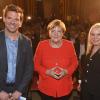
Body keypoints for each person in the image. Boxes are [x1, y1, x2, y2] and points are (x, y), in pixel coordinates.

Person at [34, 19, 78, 100]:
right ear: (49, 33)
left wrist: (66, 71)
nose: (56, 34)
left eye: (59, 31)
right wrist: (47, 72)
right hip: (46, 87)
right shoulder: (41, 45)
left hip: (65, 87)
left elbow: (75, 63)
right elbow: (35, 64)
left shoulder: (69, 45)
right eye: (53, 31)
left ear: (63, 33)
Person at [0, 4, 33, 100]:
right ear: (4, 19)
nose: (12, 22)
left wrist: (19, 90)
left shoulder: (27, 42)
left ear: (21, 22)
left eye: (16, 19)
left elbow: (29, 69)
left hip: (19, 91)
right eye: (9, 18)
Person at [79, 23, 100, 100]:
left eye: (98, 34)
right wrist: (80, 83)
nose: (95, 37)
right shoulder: (88, 53)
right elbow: (84, 72)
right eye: (93, 34)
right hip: (85, 92)